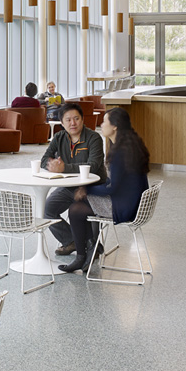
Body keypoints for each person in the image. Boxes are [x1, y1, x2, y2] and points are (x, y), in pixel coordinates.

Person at [59, 107, 149, 273]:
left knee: (76, 208)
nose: (101, 125)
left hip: (123, 207)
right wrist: (88, 189)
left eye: (104, 122)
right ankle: (90, 247)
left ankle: (82, 255)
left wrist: (87, 190)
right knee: (79, 203)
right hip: (132, 202)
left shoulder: (121, 152)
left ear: (114, 126)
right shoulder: (130, 145)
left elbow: (112, 188)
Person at [41, 102, 107, 256]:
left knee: (81, 210)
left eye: (76, 118)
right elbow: (45, 158)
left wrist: (64, 168)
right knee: (47, 209)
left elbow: (94, 165)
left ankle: (91, 244)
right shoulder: (59, 137)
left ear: (83, 119)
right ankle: (73, 241)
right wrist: (51, 165)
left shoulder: (94, 138)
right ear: (62, 123)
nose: (73, 123)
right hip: (69, 185)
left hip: (93, 186)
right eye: (68, 120)